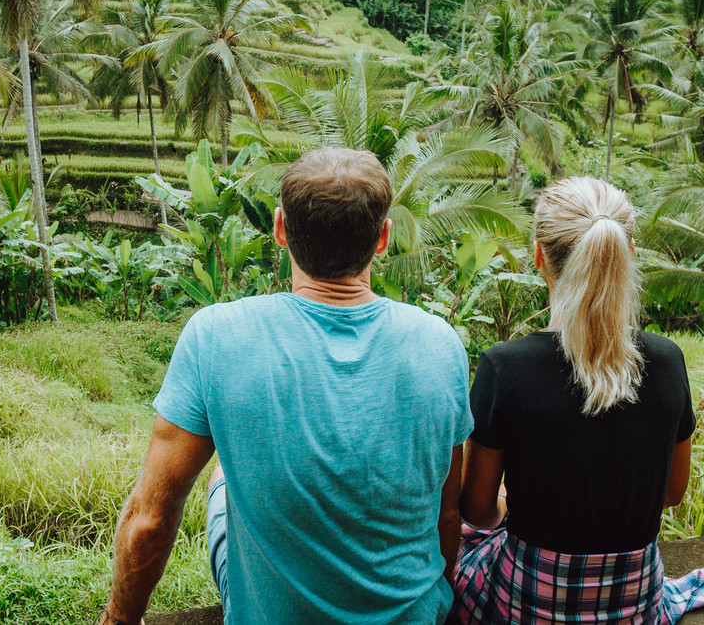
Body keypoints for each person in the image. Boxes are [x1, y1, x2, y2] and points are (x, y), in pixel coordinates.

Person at [100, 146, 473, 625]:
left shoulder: (216, 334)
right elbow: (447, 515)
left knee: (221, 480)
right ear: (382, 238)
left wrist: (117, 619)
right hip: (416, 616)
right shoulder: (441, 344)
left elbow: (149, 520)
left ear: (279, 228)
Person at [452, 176, 704, 625]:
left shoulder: (505, 367)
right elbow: (672, 493)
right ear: (627, 254)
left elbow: (477, 511)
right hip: (635, 601)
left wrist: (505, 502)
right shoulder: (667, 360)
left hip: (530, 603)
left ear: (538, 256)